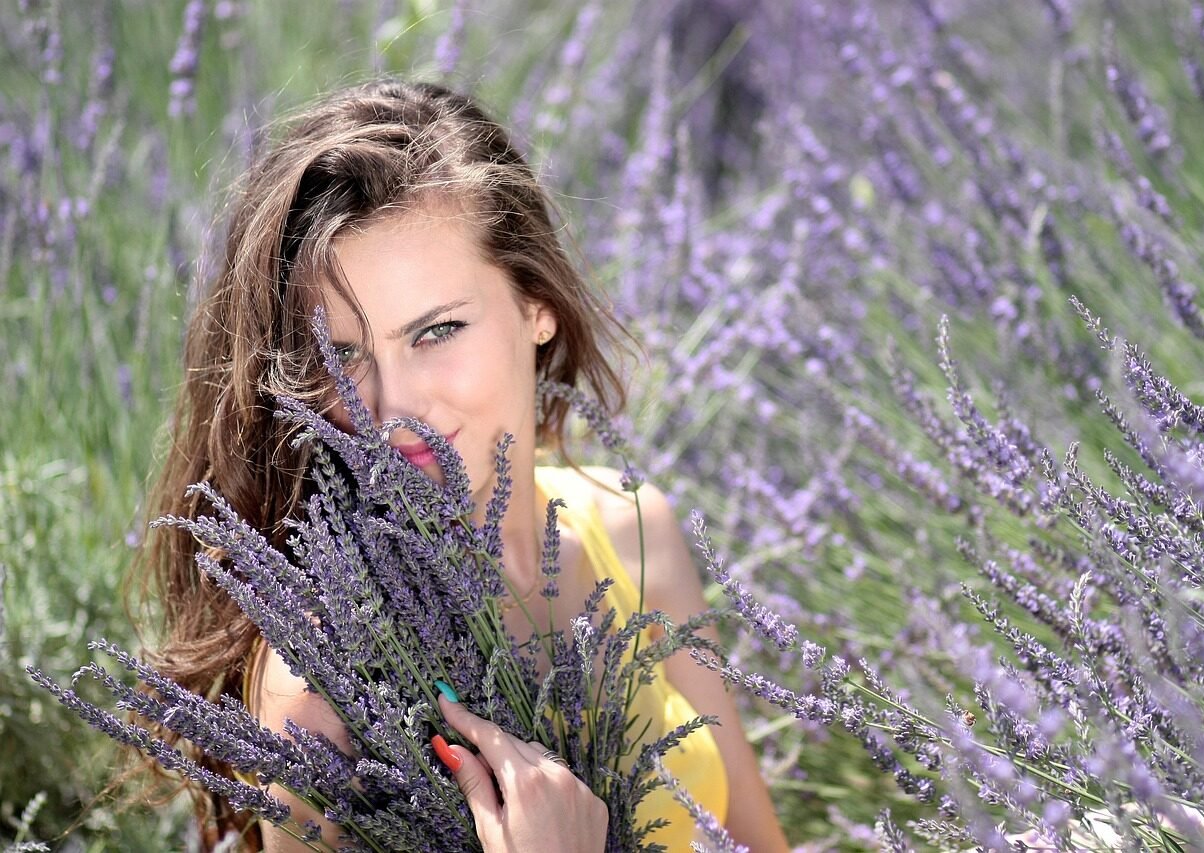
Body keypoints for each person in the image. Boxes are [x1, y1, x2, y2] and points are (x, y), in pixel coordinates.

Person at [135, 78, 790, 852]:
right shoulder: (325, 681)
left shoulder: (632, 524)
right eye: (340, 354)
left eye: (437, 330)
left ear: (535, 305)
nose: (391, 405)